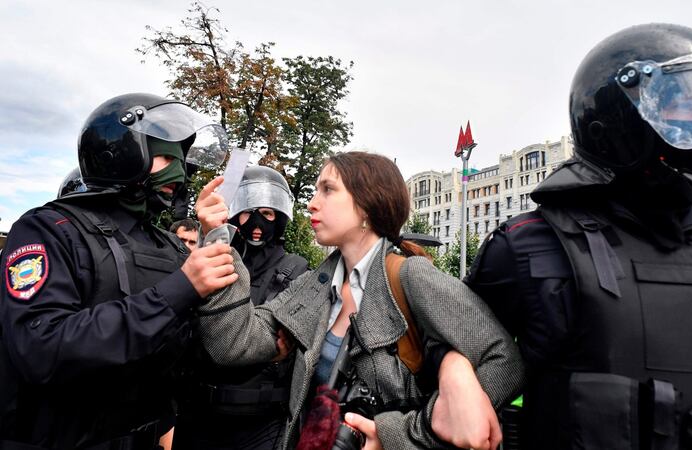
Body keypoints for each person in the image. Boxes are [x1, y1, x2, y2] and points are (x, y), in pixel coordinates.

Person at [465, 23, 692, 449]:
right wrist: (457, 375)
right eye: (679, 106)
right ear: (618, 121)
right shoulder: (530, 244)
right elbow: (448, 348)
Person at [193, 151, 524, 449]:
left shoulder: (410, 275)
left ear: (367, 205)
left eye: (328, 190)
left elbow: (504, 360)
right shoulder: (314, 284)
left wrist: (403, 434)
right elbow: (234, 344)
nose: (311, 203)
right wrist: (217, 237)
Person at [0, 93, 237, 449]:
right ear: (122, 152)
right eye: (165, 156)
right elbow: (42, 349)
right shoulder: (49, 230)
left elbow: (192, 353)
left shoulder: (169, 245)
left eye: (180, 159)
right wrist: (179, 288)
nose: (180, 170)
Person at [173, 166, 308, 450]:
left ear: (280, 219)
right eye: (248, 212)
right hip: (198, 413)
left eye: (267, 213)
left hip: (258, 421)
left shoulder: (295, 269)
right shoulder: (210, 258)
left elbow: (267, 339)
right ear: (234, 215)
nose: (257, 221)